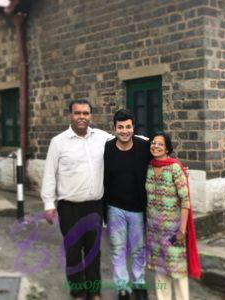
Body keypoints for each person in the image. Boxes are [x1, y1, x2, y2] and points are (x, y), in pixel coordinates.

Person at [41, 99, 113, 300]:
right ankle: (78, 292)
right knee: (73, 252)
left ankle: (94, 291)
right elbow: (49, 174)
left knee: (94, 252)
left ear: (91, 116)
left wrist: (160, 153)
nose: (82, 117)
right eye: (77, 113)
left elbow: (127, 140)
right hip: (69, 208)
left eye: (86, 113)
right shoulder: (59, 142)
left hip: (94, 206)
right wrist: (49, 204)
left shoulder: (102, 137)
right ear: (70, 115)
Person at [145, 132, 201, 300]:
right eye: (153, 143)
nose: (155, 146)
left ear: (167, 148)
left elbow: (185, 201)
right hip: (154, 231)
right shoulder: (148, 166)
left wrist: (181, 231)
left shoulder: (175, 168)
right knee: (160, 270)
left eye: (160, 144)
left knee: (177, 270)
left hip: (173, 231)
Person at [103, 109, 151, 300]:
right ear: (114, 129)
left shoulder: (143, 146)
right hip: (115, 207)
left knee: (138, 248)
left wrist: (179, 168)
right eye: (120, 127)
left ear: (133, 128)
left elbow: (161, 156)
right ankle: (122, 287)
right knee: (118, 248)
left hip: (138, 208)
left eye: (128, 127)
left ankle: (139, 284)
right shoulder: (107, 148)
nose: (124, 131)